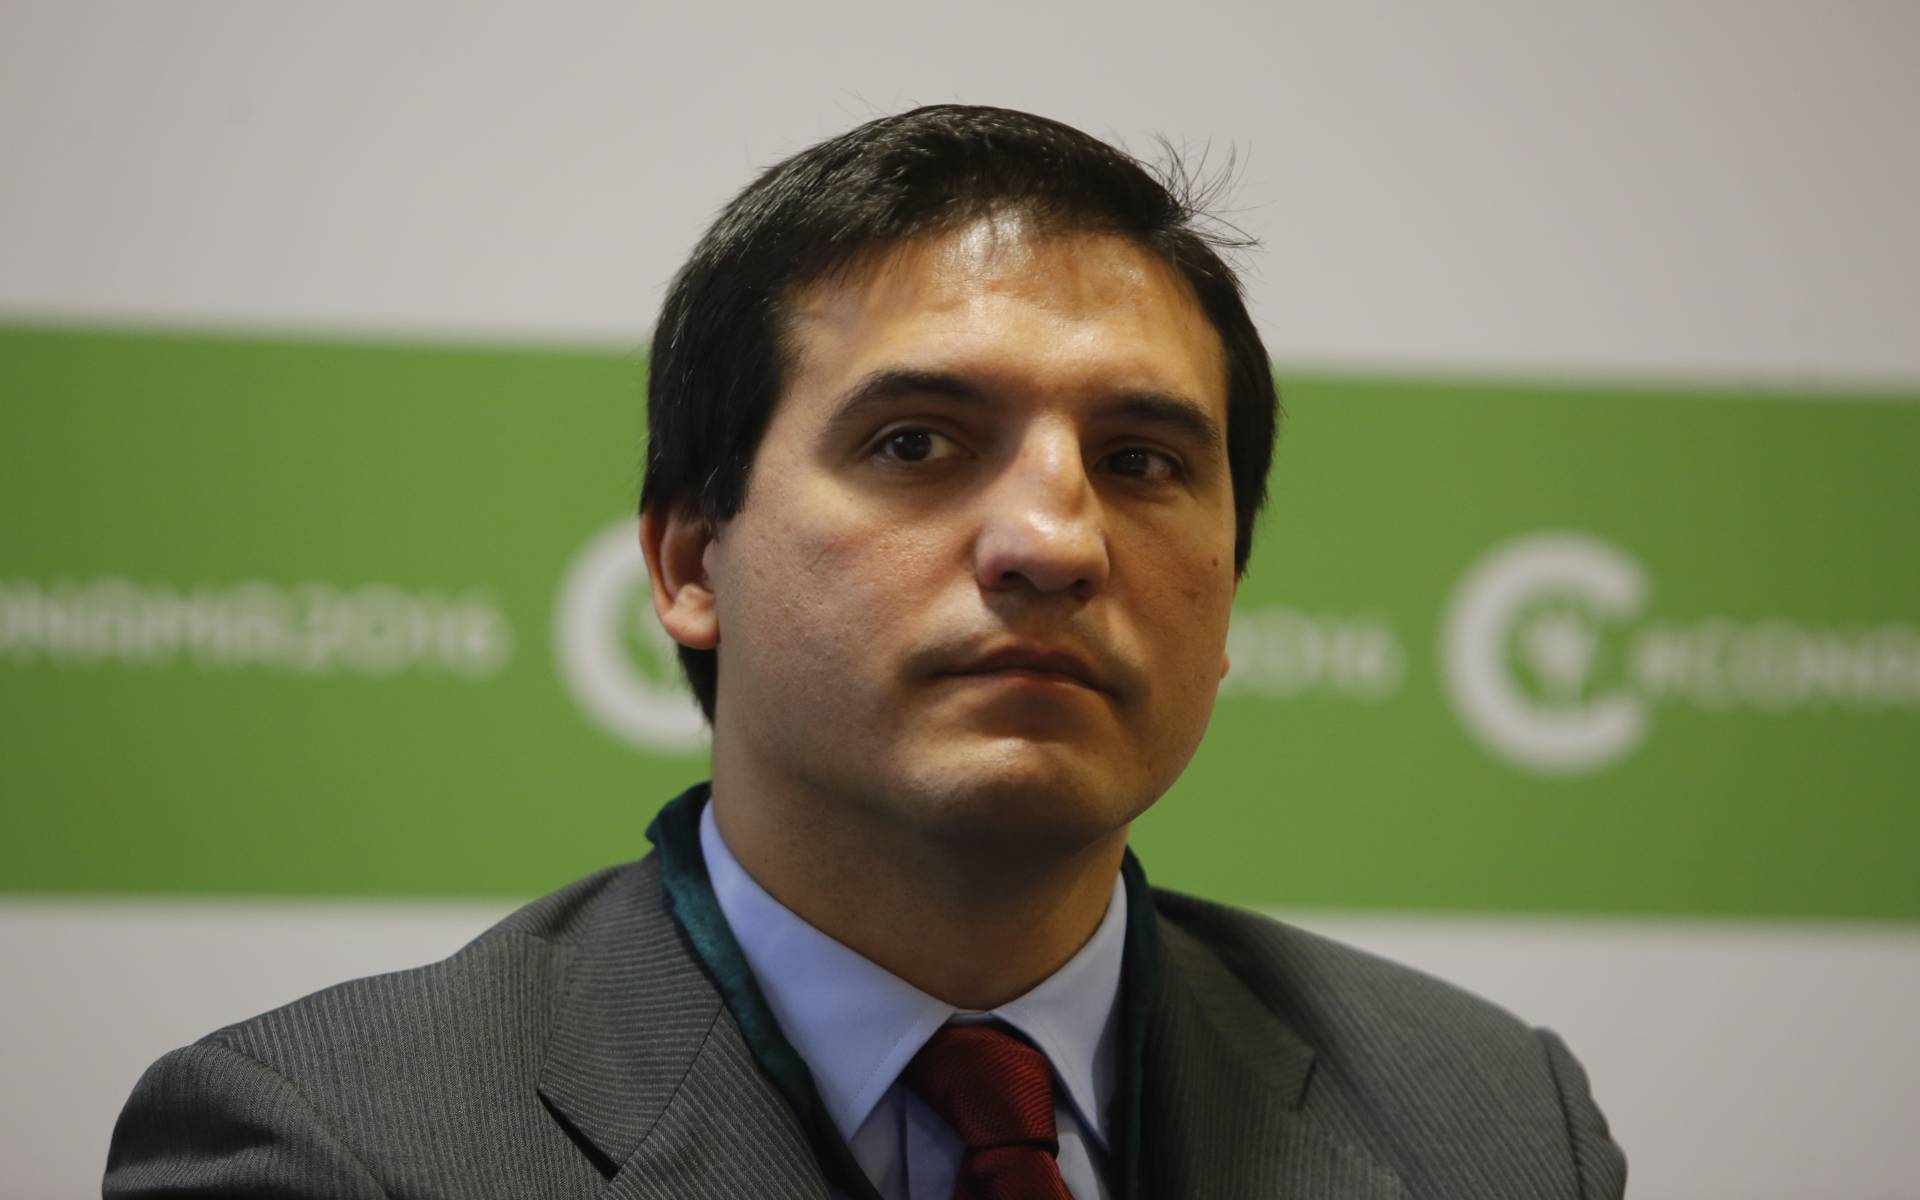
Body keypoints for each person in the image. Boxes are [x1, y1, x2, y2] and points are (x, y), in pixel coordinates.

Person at [106, 105, 1626, 1200]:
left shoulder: (1497, 1128)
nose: (1057, 540)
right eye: (916, 441)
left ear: (1228, 593)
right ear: (689, 563)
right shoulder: (331, 1145)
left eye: (1143, 461)